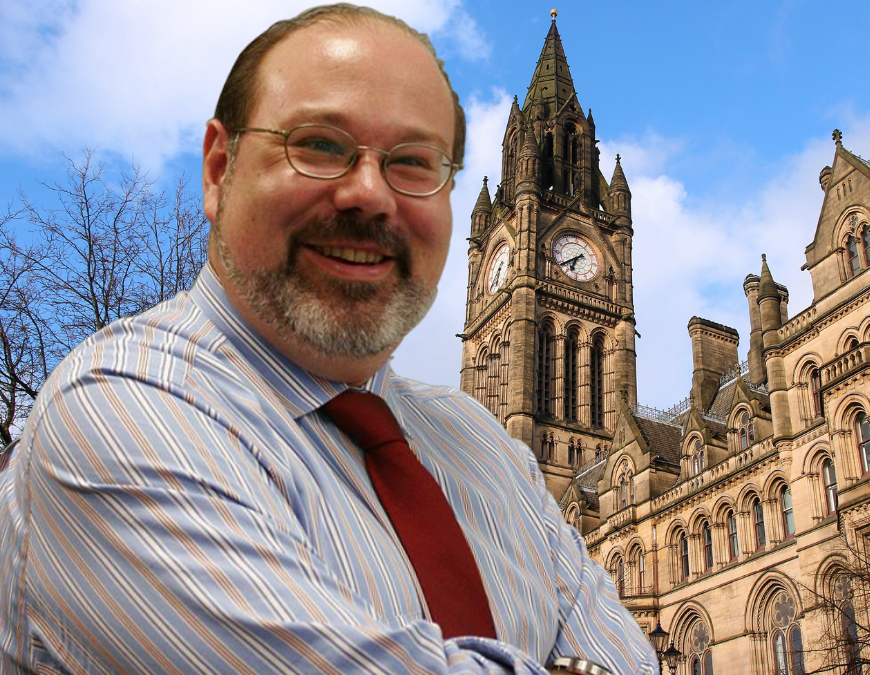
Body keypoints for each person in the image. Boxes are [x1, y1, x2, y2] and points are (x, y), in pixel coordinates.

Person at [0, 5, 658, 675]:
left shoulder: (487, 448)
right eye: (319, 145)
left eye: (413, 162)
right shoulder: (120, 410)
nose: (369, 194)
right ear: (220, 170)